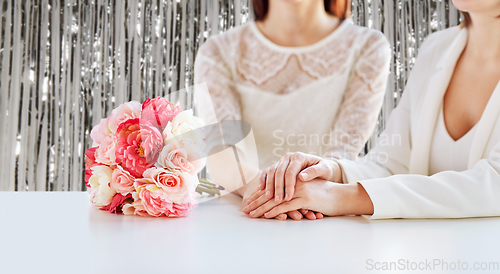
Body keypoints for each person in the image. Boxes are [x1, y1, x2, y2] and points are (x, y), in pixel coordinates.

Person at [243, 0, 500, 220]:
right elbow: (391, 162)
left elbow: (494, 184)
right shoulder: (436, 48)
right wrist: (331, 172)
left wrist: (340, 197)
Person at [194, 0, 391, 220]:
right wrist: (262, 190)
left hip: (326, 219)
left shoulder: (367, 46)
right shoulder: (218, 52)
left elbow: (342, 153)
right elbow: (222, 152)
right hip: (242, 217)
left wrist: (312, 191)